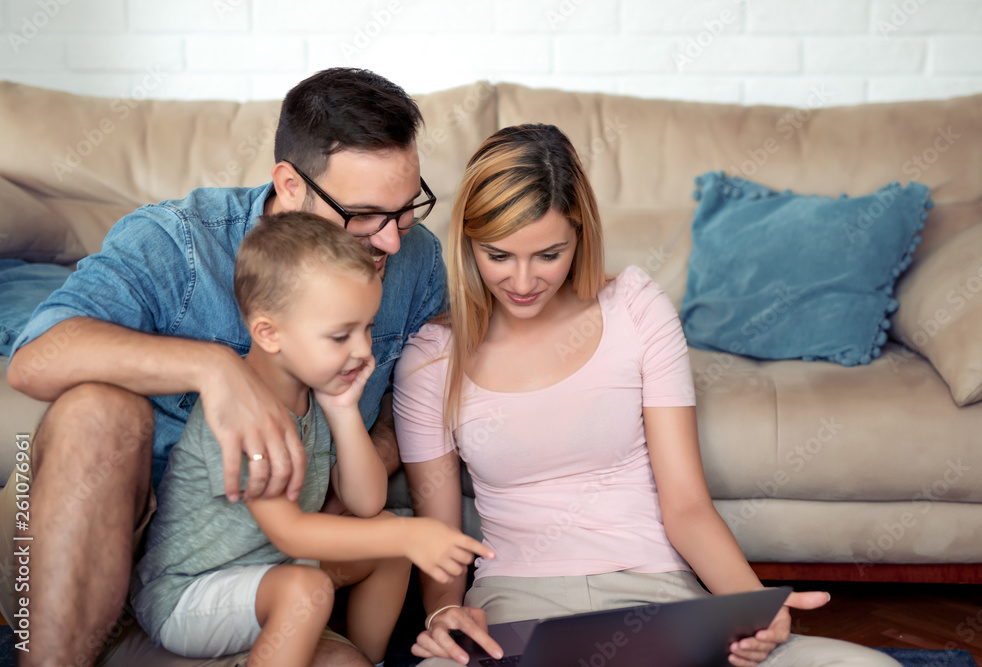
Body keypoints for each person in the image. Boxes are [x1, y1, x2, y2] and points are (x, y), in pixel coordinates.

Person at [392, 124, 903, 667]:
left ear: (580, 236)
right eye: (499, 256)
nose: (522, 281)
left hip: (657, 597)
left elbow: (686, 505)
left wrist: (755, 609)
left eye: (548, 254)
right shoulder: (431, 358)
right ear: (468, 243)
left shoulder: (634, 306)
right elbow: (440, 537)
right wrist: (441, 617)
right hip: (514, 611)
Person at [2, 68, 446, 667]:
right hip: (135, 544)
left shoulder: (415, 261)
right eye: (365, 214)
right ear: (290, 185)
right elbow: (36, 359)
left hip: (264, 570)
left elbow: (414, 399)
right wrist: (214, 368)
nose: (391, 241)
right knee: (99, 408)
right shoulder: (178, 243)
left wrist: (361, 457)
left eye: (407, 208)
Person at [131, 211, 493, 667]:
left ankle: (362, 658)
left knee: (386, 541)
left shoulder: (310, 392)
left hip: (272, 573)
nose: (363, 351)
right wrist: (413, 531)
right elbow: (292, 533)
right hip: (192, 595)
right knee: (311, 585)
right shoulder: (244, 415)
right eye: (341, 335)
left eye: (366, 328)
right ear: (269, 333)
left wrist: (342, 412)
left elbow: (365, 502)